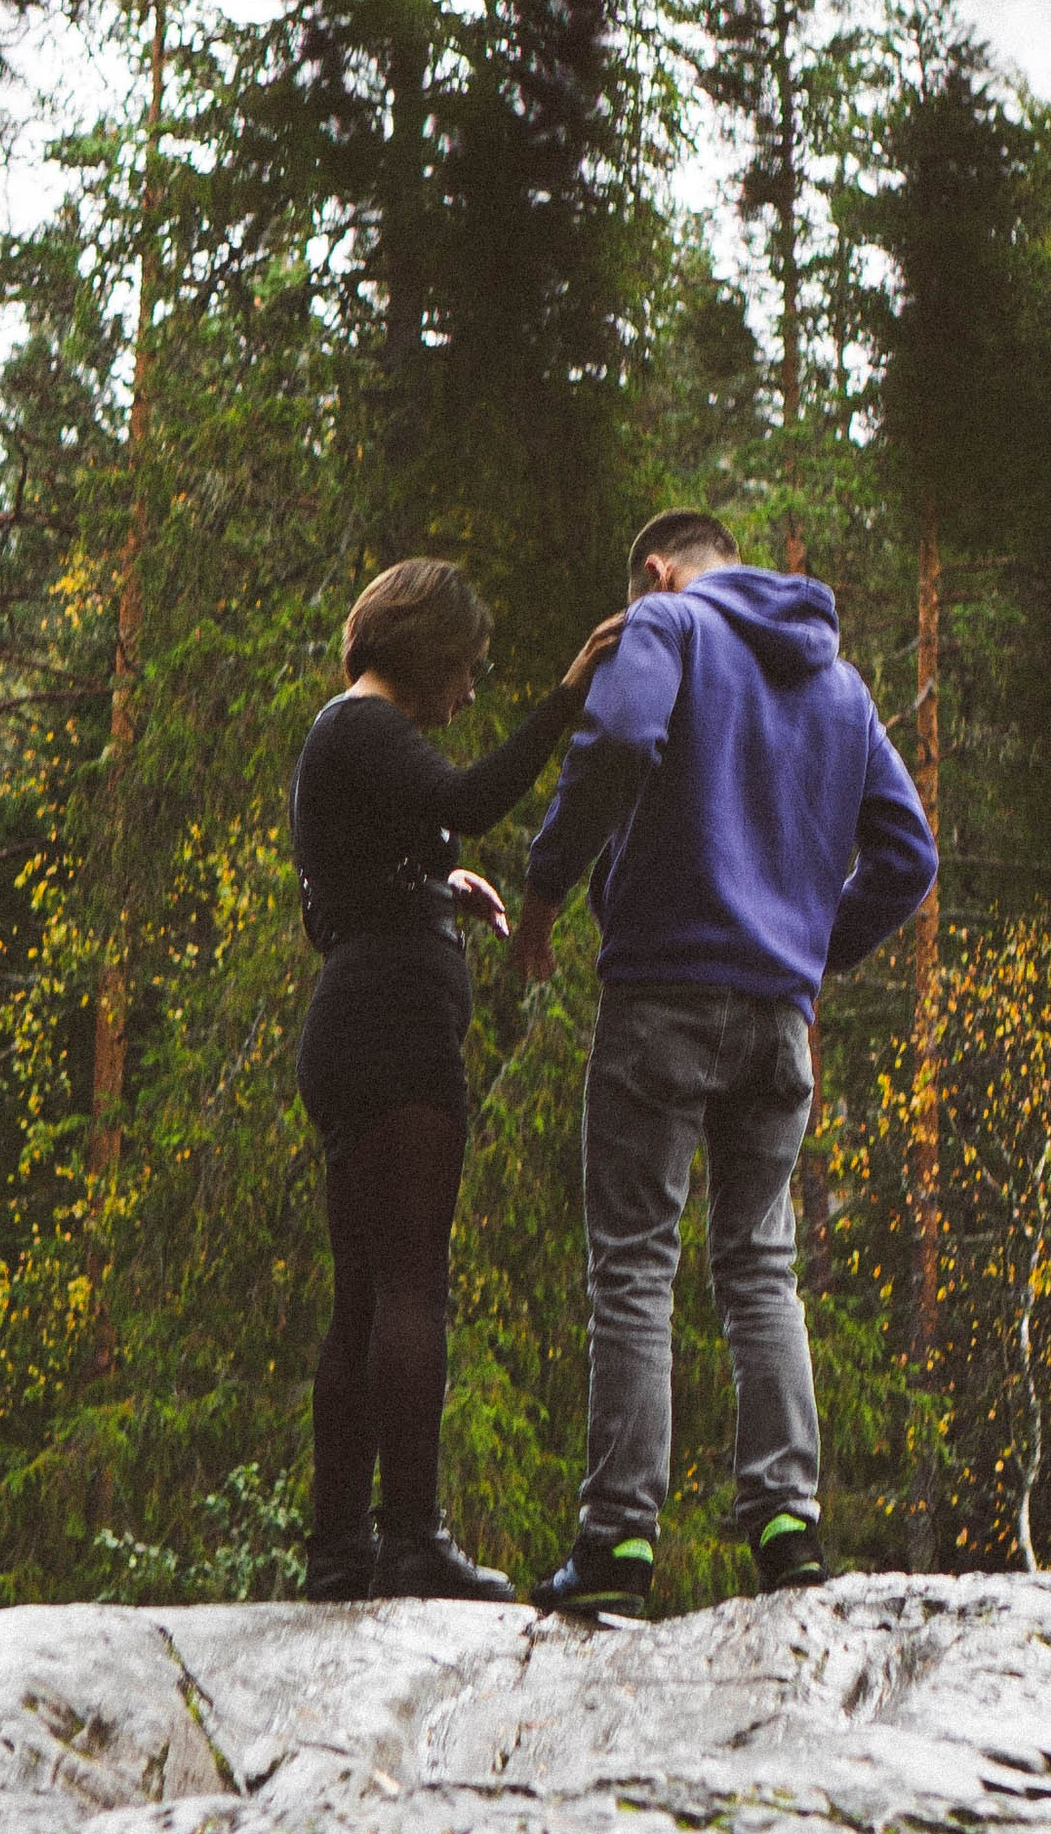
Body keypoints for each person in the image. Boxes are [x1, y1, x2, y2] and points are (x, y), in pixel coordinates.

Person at [510, 508, 937, 1616]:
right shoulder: (840, 685)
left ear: (658, 572)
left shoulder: (671, 626)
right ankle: (788, 1524)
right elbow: (908, 856)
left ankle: (617, 1543)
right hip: (777, 1018)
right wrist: (809, 950)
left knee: (633, 1263)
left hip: (662, 993)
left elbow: (617, 741)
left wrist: (547, 884)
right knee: (759, 1265)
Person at [291, 558, 621, 1604]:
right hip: (396, 1029)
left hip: (355, 1022)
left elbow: (342, 888)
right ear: (427, 650)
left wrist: (438, 880)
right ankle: (411, 1540)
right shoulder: (367, 724)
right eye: (467, 667)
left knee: (361, 1292)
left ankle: (339, 1550)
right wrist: (567, 697)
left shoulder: (341, 738)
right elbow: (471, 797)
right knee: (410, 1285)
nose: (470, 691)